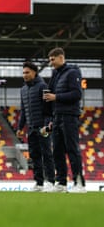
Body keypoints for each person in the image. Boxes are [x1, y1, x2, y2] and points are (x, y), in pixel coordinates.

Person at [44, 47, 86, 193]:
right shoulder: (55, 74)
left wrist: (56, 97)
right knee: (57, 151)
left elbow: (76, 94)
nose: (50, 63)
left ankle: (79, 183)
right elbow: (51, 97)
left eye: (52, 59)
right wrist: (50, 118)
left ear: (61, 57)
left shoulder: (73, 72)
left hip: (69, 116)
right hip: (57, 117)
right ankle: (61, 183)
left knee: (72, 149)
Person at [16, 61, 55, 192]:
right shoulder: (23, 89)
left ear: (34, 72)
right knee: (34, 155)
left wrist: (46, 126)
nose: (24, 75)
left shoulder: (43, 86)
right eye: (23, 73)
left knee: (47, 154)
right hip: (31, 128)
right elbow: (23, 110)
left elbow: (48, 109)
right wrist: (20, 127)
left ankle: (50, 181)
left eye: (27, 72)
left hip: (42, 127)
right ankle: (39, 183)